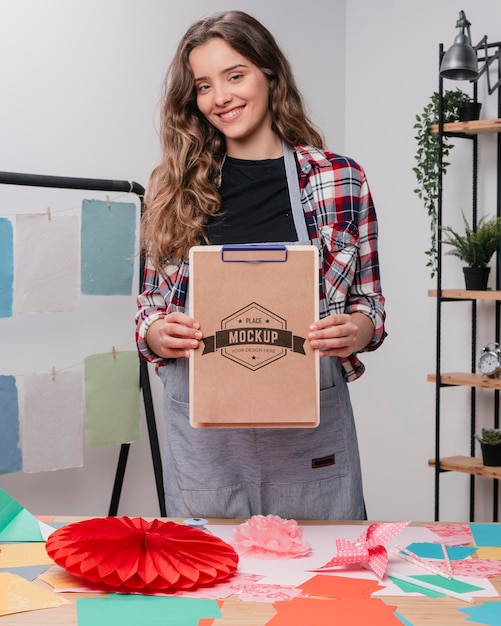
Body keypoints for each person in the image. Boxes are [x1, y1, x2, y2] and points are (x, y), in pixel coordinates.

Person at [135, 10, 386, 520]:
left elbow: (370, 304)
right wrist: (160, 333)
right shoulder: (172, 187)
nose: (220, 97)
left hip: (309, 409)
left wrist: (354, 330)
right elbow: (148, 307)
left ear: (270, 75)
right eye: (204, 86)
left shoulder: (340, 179)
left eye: (235, 75)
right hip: (204, 420)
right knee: (212, 577)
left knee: (323, 579)